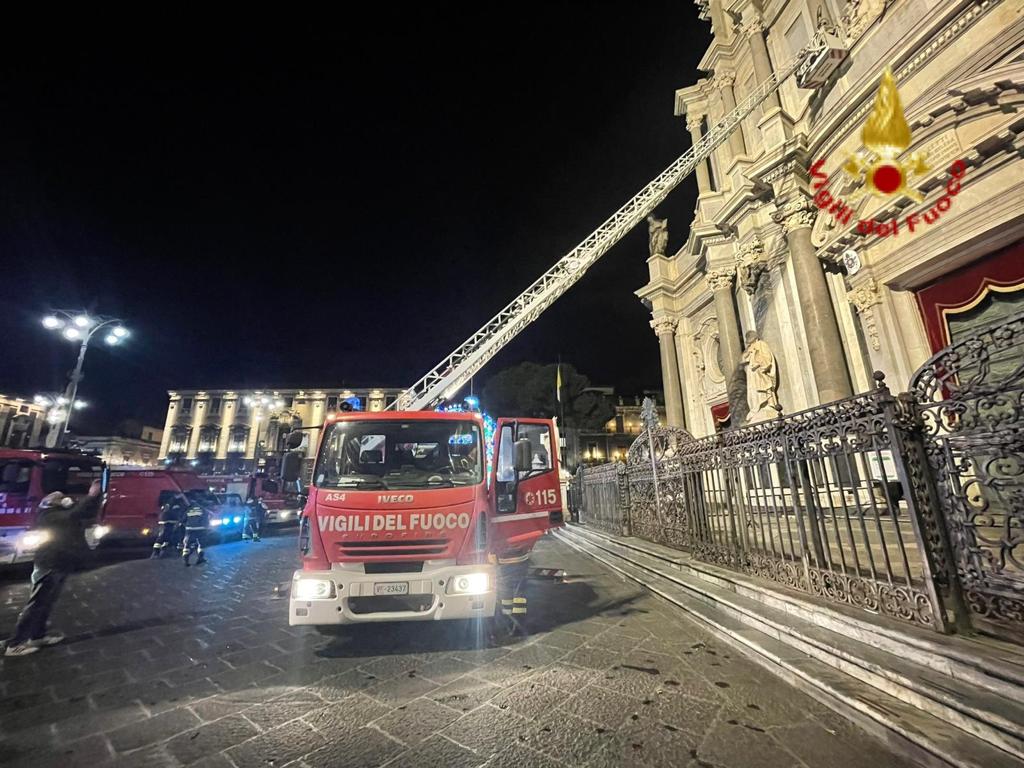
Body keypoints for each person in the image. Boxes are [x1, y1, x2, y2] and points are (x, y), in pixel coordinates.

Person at [4, 479, 102, 657]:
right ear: (51, 503)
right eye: (61, 498)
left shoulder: (60, 512)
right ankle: (15, 643)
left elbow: (84, 513)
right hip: (49, 565)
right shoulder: (49, 516)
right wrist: (91, 495)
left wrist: (95, 498)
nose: (66, 499)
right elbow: (73, 515)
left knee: (46, 603)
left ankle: (37, 636)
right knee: (37, 604)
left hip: (60, 563)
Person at [181, 501, 209, 567]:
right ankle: (200, 558)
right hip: (200, 529)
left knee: (187, 544)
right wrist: (206, 526)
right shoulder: (202, 509)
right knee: (201, 544)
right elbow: (206, 518)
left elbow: (183, 519)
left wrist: (186, 525)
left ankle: (186, 561)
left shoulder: (189, 510)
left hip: (189, 529)